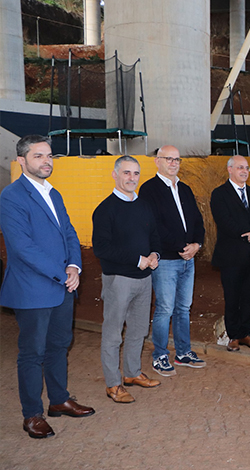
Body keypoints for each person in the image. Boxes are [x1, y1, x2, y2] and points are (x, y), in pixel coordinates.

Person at [0, 135, 95, 439]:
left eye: (49, 156)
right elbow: (22, 247)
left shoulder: (54, 193)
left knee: (59, 345)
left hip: (62, 285)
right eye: (38, 156)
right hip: (32, 288)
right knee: (32, 353)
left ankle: (59, 400)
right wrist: (61, 273)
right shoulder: (11, 196)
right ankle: (32, 415)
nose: (46, 161)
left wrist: (74, 266)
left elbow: (69, 233)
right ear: (21, 161)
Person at [92, 155, 162, 403]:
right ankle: (113, 384)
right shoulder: (105, 209)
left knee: (139, 330)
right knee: (113, 333)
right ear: (115, 175)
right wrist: (136, 259)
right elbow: (101, 248)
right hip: (118, 279)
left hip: (144, 279)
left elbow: (154, 236)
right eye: (126, 173)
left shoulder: (144, 206)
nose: (132, 178)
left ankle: (132, 373)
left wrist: (154, 254)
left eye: (135, 173)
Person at [139, 145, 206, 377]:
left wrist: (197, 244)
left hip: (188, 259)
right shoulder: (149, 189)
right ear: (157, 161)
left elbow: (197, 220)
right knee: (165, 308)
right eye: (168, 159)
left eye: (177, 159)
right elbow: (154, 226)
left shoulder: (185, 189)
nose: (173, 163)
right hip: (166, 260)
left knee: (183, 308)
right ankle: (159, 355)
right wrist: (181, 247)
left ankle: (183, 353)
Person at [210, 155, 250, 352]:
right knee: (232, 297)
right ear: (230, 169)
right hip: (231, 256)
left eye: (246, 168)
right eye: (240, 167)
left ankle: (246, 333)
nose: (244, 171)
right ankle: (234, 335)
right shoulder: (219, 194)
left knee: (248, 297)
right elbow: (224, 221)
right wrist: (249, 235)